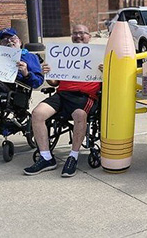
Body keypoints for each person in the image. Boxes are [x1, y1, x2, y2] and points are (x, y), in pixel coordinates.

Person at [24, 24, 101, 178]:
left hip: (84, 97)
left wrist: (106, 71)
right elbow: (54, 84)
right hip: (62, 95)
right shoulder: (65, 55)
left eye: (82, 33)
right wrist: (49, 73)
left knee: (80, 115)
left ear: (89, 36)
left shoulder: (99, 56)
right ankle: (46, 157)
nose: (78, 36)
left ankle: (73, 156)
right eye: (75, 33)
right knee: (37, 114)